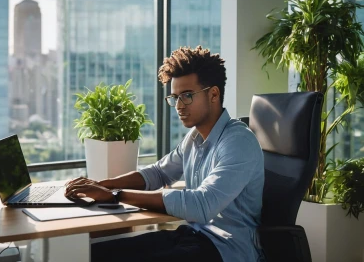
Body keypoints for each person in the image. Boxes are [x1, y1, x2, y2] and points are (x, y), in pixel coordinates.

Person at [65, 46, 264, 262]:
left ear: (213, 94)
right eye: (175, 97)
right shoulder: (194, 138)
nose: (178, 105)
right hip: (194, 236)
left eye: (187, 96)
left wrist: (116, 195)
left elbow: (201, 205)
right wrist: (105, 185)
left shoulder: (238, 142)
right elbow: (158, 173)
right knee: (95, 254)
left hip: (228, 250)